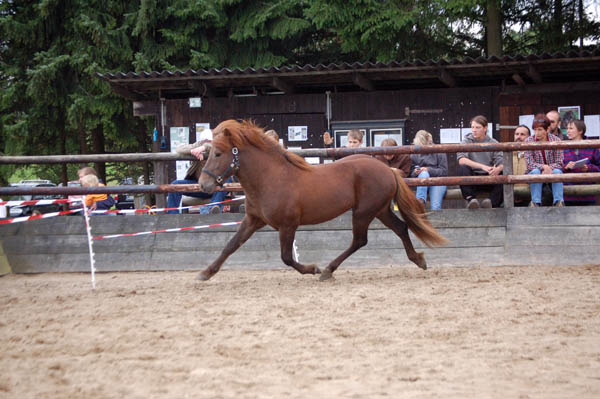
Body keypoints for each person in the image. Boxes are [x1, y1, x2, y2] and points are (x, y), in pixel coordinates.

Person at [167, 142, 230, 214]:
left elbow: (218, 148)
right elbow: (179, 149)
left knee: (227, 179)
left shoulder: (218, 148)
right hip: (199, 186)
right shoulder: (198, 146)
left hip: (215, 188)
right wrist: (193, 151)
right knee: (175, 185)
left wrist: (205, 147)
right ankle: (173, 215)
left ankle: (214, 207)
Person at [457, 115, 504, 209]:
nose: (474, 130)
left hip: (489, 177)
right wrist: (482, 166)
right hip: (473, 179)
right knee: (462, 168)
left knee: (503, 174)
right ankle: (471, 199)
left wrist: (498, 169)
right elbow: (461, 160)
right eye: (472, 127)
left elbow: (503, 161)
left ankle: (491, 203)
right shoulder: (466, 141)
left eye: (477, 127)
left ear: (485, 128)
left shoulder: (494, 142)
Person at [525, 113, 564, 207]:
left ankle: (559, 202)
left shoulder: (556, 140)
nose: (537, 133)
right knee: (535, 171)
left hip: (552, 172)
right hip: (534, 173)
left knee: (558, 171)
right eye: (535, 130)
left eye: (540, 130)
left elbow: (560, 162)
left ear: (547, 129)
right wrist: (543, 167)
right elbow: (529, 163)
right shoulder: (528, 141)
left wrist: (548, 168)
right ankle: (535, 202)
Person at [562, 119, 600, 205]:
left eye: (571, 128)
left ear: (580, 131)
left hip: (588, 193)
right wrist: (566, 167)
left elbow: (599, 167)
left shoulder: (592, 146)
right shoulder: (563, 147)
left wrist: (588, 168)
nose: (568, 131)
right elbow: (558, 168)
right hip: (568, 194)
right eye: (567, 128)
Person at [409, 130, 448, 210]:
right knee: (423, 174)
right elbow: (411, 173)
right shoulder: (414, 154)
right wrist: (415, 172)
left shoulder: (439, 150)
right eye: (419, 145)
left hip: (437, 182)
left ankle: (435, 221)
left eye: (422, 145)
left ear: (428, 141)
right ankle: (421, 201)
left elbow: (444, 172)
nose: (420, 147)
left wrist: (428, 170)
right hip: (422, 182)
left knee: (435, 206)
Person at [512, 125, 531, 206]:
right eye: (517, 134)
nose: (518, 137)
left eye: (522, 134)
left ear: (529, 137)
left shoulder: (533, 153)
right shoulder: (507, 154)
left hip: (528, 195)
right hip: (510, 195)